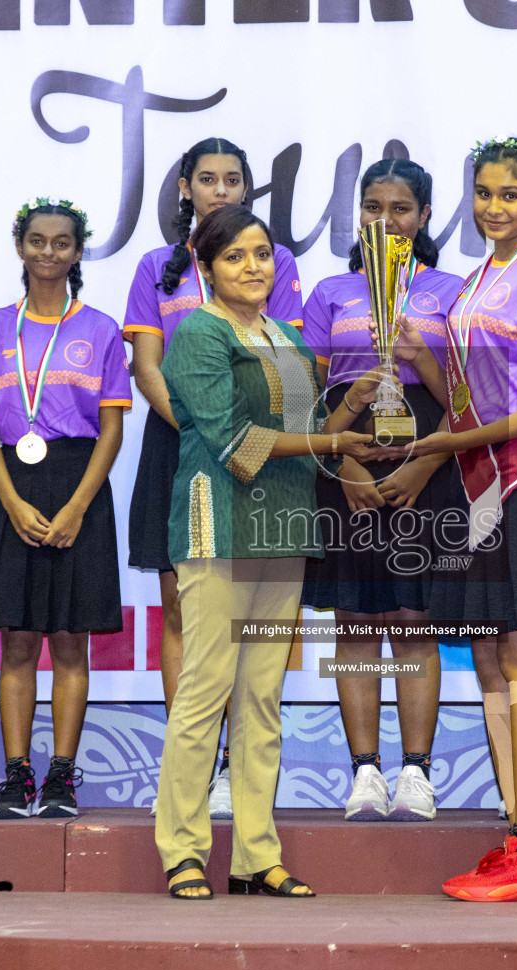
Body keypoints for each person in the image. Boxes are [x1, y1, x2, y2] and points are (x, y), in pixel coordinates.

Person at [155, 203, 381, 900]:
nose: (251, 268)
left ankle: (256, 854)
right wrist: (333, 442)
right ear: (207, 266)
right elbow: (238, 446)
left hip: (283, 529)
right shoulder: (197, 332)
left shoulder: (284, 334)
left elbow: (303, 432)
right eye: (235, 257)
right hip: (215, 526)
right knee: (204, 693)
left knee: (261, 699)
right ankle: (183, 850)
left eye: (261, 254)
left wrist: (352, 408)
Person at [384, 136, 517, 902]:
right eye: (485, 193)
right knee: (496, 659)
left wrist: (460, 438)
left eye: (511, 195)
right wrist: (425, 362)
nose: (495, 207)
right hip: (481, 487)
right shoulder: (476, 280)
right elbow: (469, 394)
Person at [124, 138, 304, 819]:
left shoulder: (275, 262)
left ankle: (238, 766)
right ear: (185, 189)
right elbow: (147, 367)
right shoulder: (153, 268)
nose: (220, 191)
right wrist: (202, 425)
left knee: (252, 620)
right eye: (208, 179)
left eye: (233, 180)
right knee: (185, 612)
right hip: (179, 440)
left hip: (257, 446)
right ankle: (190, 765)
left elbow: (279, 358)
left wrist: (231, 432)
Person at [300, 158, 463, 822]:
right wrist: (347, 467)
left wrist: (422, 462)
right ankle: (365, 770)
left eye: (400, 208)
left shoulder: (453, 289)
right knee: (357, 623)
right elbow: (308, 401)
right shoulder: (330, 293)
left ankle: (416, 772)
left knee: (415, 622)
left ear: (424, 217)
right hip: (348, 464)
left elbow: (473, 398)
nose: (386, 219)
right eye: (373, 207)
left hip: (429, 461)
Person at [0, 198, 129, 819]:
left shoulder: (102, 329)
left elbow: (110, 431)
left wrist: (79, 506)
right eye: (37, 240)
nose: (48, 252)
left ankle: (60, 775)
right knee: (18, 643)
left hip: (78, 485)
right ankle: (15, 775)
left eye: (62, 243)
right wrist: (8, 500)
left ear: (78, 251)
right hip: (14, 487)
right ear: (20, 246)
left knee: (70, 642)